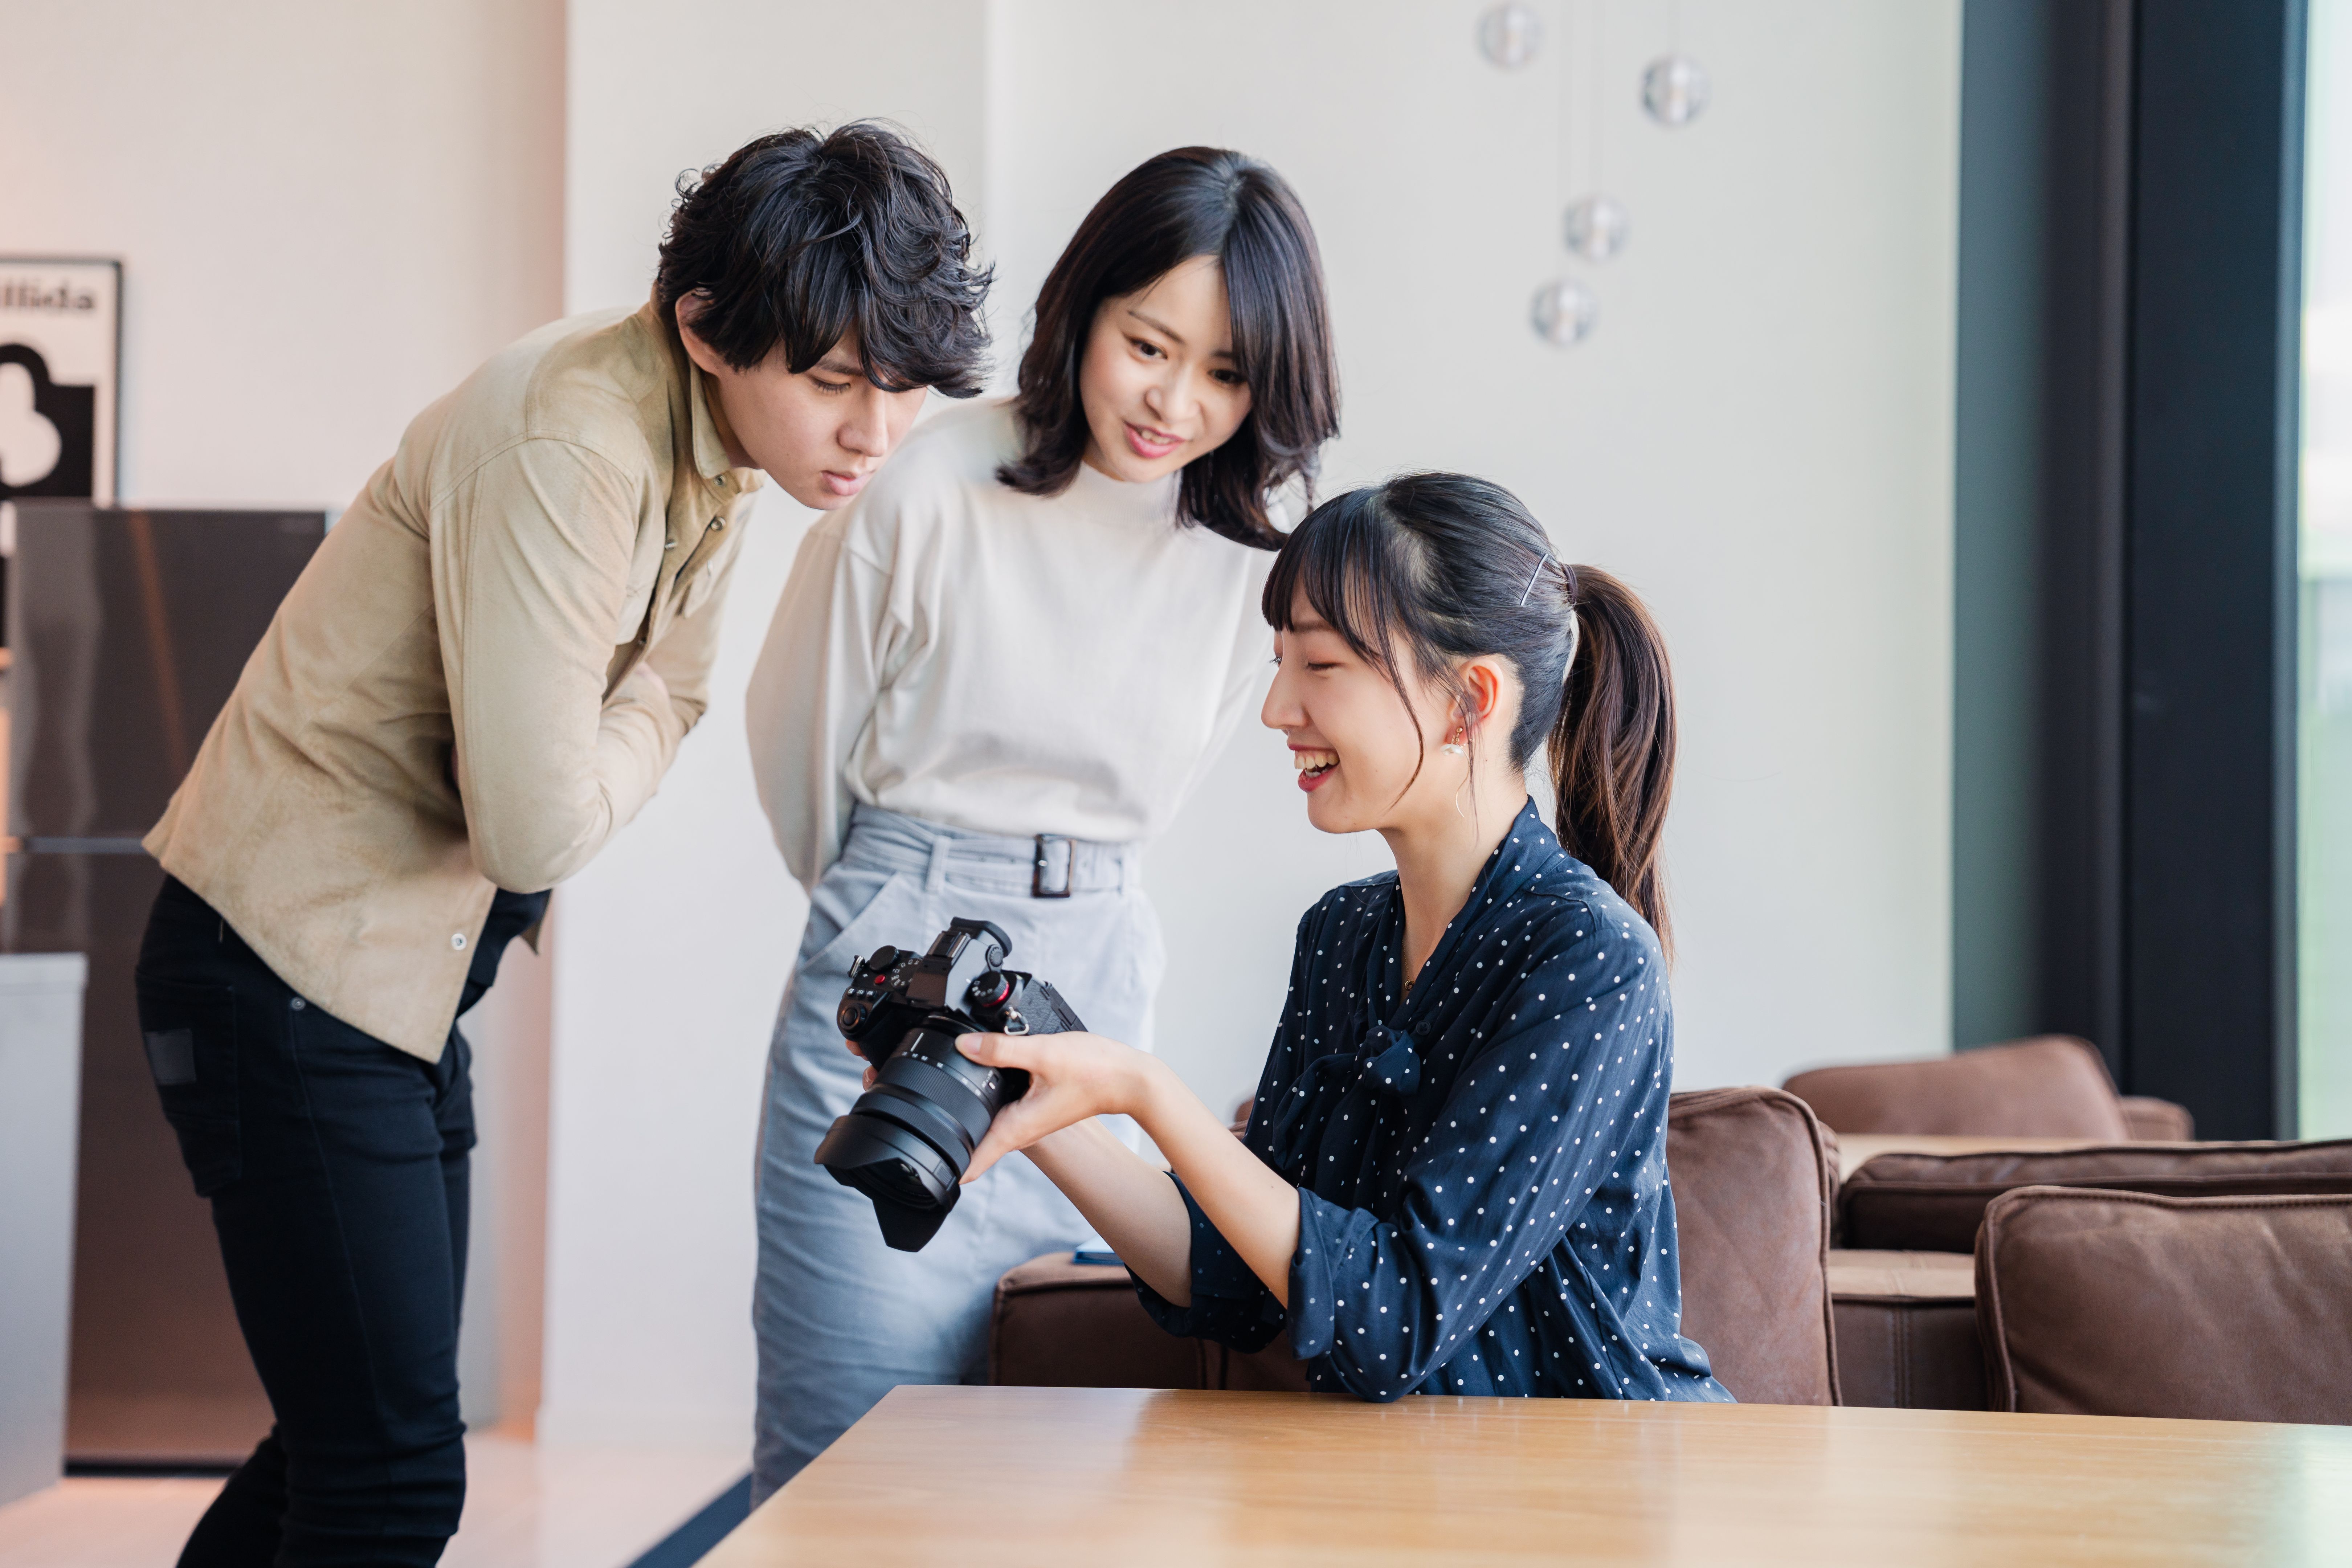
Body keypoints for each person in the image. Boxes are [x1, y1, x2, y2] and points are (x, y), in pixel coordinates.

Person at [132, 123, 990, 1567]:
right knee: (390, 1478)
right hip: (285, 970)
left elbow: (681, 686)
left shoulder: (712, 441)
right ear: (708, 328)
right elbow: (536, 817)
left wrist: (624, 724)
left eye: (902, 386)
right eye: (838, 383)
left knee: (346, 1448)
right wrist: (627, 729)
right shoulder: (574, 440)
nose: (875, 432)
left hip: (382, 985)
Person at [744, 145, 1342, 1493]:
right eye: (1150, 345)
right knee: (839, 1455)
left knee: (1049, 1452)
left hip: (1095, 972)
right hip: (895, 950)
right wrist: (885, 899)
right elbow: (799, 745)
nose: (1177, 402)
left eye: (1229, 373)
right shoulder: (932, 477)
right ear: (1086, 309)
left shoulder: (1258, 544)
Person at [943, 474, 1731, 1402]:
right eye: (1280, 663)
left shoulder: (1592, 959)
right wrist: (1031, 1102)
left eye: (1319, 667)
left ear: (1469, 701)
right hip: (1411, 1494)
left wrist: (1149, 1092)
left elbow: (1390, 1325)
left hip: (1592, 1494)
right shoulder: (1343, 936)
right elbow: (1239, 1280)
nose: (1278, 709)